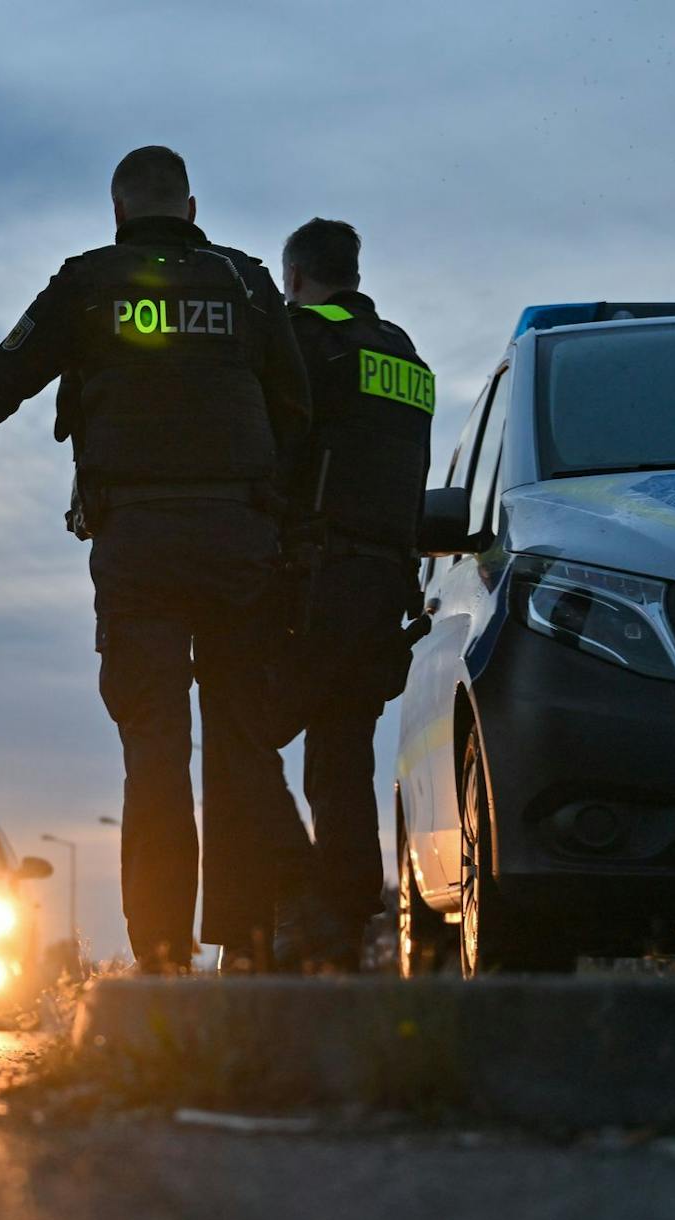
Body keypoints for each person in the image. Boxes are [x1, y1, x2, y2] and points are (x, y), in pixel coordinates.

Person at [0, 146, 316, 972]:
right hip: (241, 540)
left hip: (137, 544)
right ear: (191, 208)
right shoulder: (244, 282)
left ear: (118, 212)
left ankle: (161, 958)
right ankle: (248, 948)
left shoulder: (90, 281)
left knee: (155, 752)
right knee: (243, 747)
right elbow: (296, 410)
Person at [275, 217, 435, 969]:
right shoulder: (406, 354)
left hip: (310, 584)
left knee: (247, 741)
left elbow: (278, 457)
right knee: (342, 767)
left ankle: (296, 916)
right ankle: (340, 935)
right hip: (381, 594)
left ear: (297, 277)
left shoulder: (306, 340)